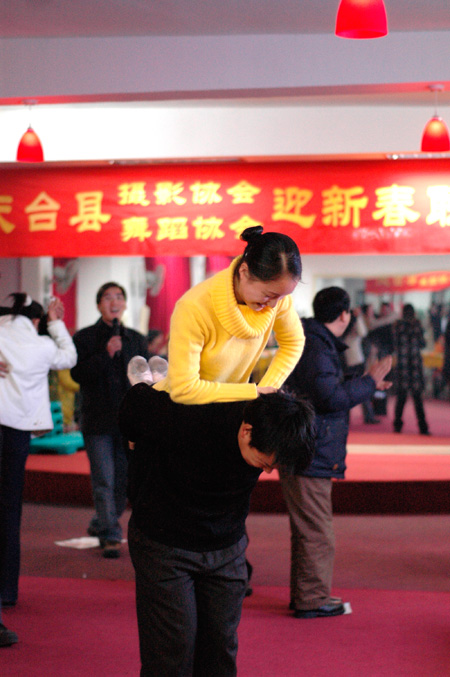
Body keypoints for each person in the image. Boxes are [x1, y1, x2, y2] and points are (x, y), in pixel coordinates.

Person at [118, 385, 316, 676]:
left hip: (226, 546)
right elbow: (134, 401)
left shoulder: (268, 422)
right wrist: (136, 449)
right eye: (264, 463)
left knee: (220, 648)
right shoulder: (194, 416)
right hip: (165, 544)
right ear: (246, 431)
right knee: (171, 650)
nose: (266, 471)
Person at [280, 287, 392, 619]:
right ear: (344, 315)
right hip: (311, 449)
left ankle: (307, 594)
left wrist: (365, 382)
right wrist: (368, 382)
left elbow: (325, 387)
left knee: (308, 529)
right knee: (317, 532)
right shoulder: (317, 346)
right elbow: (329, 398)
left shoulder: (314, 341)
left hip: (306, 446)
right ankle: (312, 598)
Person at [0, 293, 76, 646]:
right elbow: (69, 357)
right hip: (18, 430)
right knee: (9, 508)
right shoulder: (43, 345)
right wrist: (56, 323)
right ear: (35, 320)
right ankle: (7, 590)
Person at [153, 225, 305, 404]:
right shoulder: (194, 307)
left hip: (229, 406)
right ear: (244, 272)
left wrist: (266, 390)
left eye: (282, 297)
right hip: (180, 409)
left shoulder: (277, 300)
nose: (273, 305)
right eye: (268, 295)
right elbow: (184, 389)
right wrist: (253, 392)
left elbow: (293, 342)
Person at [70, 282, 148, 558]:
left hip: (128, 422)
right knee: (103, 479)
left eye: (118, 297)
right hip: (97, 421)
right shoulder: (84, 337)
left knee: (122, 483)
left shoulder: (136, 339)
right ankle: (111, 535)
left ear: (125, 304)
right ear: (98, 304)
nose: (113, 302)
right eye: (107, 297)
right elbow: (77, 374)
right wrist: (106, 354)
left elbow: (144, 378)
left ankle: (100, 522)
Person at [393, 303, 430, 435]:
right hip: (415, 365)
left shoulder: (398, 326)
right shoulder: (416, 325)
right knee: (417, 399)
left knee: (401, 398)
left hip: (402, 365)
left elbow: (394, 343)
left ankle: (397, 426)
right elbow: (423, 343)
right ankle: (423, 427)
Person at [342, 307, 379, 424]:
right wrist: (357, 318)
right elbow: (363, 333)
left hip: (354, 361)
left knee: (356, 389)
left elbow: (363, 333)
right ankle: (365, 416)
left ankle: (365, 415)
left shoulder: (349, 325)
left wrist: (357, 318)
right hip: (351, 360)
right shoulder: (348, 324)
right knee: (355, 389)